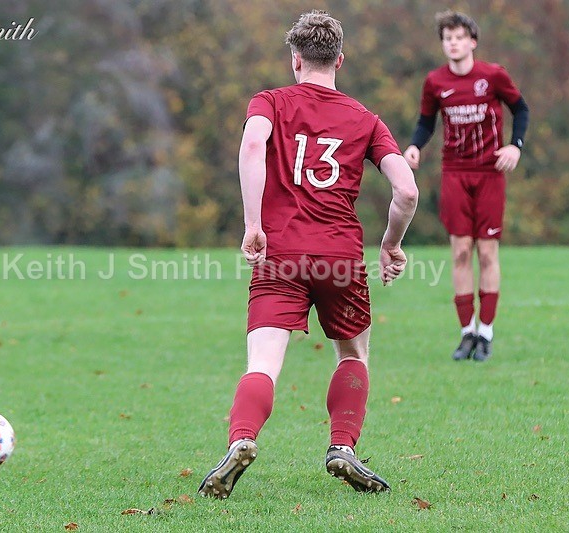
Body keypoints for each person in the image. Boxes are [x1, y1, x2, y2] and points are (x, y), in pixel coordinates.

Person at [198, 10, 418, 499]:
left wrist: (254, 224)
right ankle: (342, 447)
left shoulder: (270, 101)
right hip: (340, 257)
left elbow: (253, 145)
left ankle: (242, 440)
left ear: (296, 59)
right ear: (339, 60)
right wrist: (391, 244)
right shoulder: (366, 119)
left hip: (281, 254)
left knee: (262, 363)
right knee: (354, 353)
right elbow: (406, 190)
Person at [403, 11, 529, 362]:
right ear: (443, 44)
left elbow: (521, 109)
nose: (453, 43)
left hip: (489, 173)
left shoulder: (493, 76)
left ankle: (486, 333)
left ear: (472, 41)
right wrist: (415, 146)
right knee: (460, 251)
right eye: (447, 38)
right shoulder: (434, 82)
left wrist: (514, 146)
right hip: (454, 173)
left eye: (459, 37)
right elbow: (426, 122)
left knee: (487, 252)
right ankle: (466, 333)